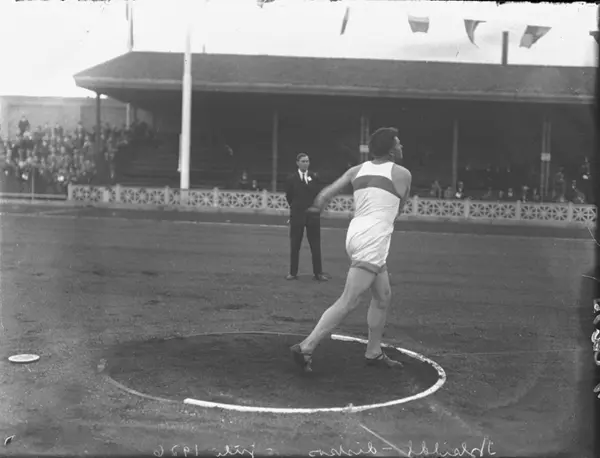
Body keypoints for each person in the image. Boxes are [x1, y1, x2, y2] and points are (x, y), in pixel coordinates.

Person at [290, 127, 411, 372]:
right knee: (349, 300)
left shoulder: (357, 170)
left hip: (356, 233)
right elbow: (399, 208)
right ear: (390, 150)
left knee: (383, 296)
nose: (401, 147)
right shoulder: (402, 173)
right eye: (398, 143)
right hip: (373, 238)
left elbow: (327, 193)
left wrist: (317, 206)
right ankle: (306, 347)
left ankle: (373, 352)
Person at [285, 153, 328, 282]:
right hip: (297, 215)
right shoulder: (291, 179)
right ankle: (293, 273)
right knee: (295, 245)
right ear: (297, 163)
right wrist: (297, 208)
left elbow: (318, 195)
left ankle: (318, 273)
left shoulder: (314, 177)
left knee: (315, 245)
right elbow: (289, 196)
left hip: (312, 215)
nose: (305, 163)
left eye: (307, 161)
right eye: (303, 161)